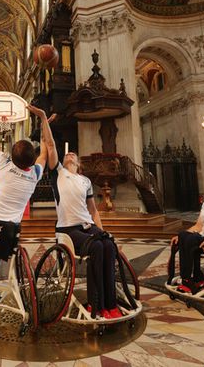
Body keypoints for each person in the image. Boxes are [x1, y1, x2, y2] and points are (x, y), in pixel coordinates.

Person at [0, 104, 54, 299]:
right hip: (9, 230)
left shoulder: (4, 165)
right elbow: (45, 153)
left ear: (12, 157)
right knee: (8, 247)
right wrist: (45, 127)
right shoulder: (35, 174)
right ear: (30, 161)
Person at [46, 137, 122, 320]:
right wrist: (43, 120)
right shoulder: (58, 174)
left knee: (109, 245)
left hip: (88, 226)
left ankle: (110, 304)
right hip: (68, 229)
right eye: (67, 155)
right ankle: (94, 303)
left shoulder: (85, 181)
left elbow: (93, 211)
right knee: (96, 247)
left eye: (74, 154)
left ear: (78, 163)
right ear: (63, 162)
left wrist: (102, 232)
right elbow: (50, 145)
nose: (70, 154)